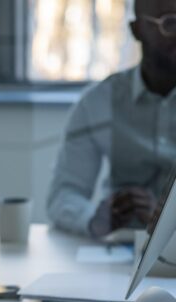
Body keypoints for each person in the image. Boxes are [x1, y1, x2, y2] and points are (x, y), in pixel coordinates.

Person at [47, 0, 176, 238]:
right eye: (170, 23)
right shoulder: (98, 102)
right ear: (137, 30)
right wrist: (96, 218)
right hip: (118, 246)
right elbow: (63, 196)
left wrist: (167, 220)